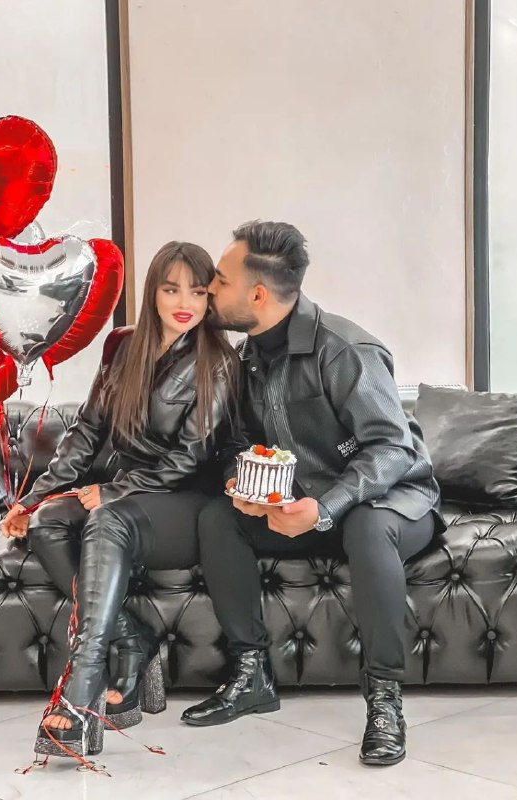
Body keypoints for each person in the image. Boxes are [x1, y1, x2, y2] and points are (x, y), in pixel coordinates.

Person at [180, 221, 444, 767]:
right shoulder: (246, 358)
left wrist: (326, 508)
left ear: (257, 294)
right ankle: (251, 673)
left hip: (393, 502)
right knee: (218, 518)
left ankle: (385, 699)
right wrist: (244, 486)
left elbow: (392, 449)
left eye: (220, 280)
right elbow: (238, 443)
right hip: (300, 507)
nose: (209, 288)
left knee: (367, 525)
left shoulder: (345, 350)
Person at [0, 241, 237, 761]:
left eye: (197, 292)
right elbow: (86, 432)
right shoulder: (122, 346)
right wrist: (32, 499)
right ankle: (133, 638)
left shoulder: (218, 361)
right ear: (152, 293)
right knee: (46, 523)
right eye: (171, 289)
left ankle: (82, 684)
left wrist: (114, 491)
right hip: (126, 493)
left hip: (183, 503)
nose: (185, 303)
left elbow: (192, 457)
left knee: (105, 516)